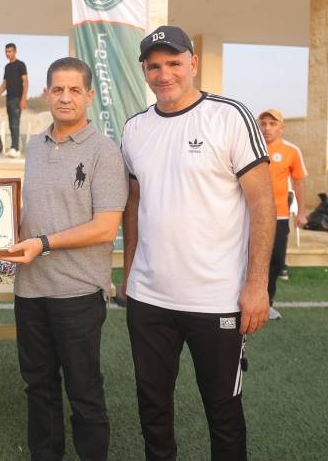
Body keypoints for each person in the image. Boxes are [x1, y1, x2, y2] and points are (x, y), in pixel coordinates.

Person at [121, 25, 274, 461]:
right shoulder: (135, 128)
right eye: (154, 66)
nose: (164, 74)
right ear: (144, 72)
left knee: (223, 413)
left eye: (174, 62)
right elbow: (134, 203)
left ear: (193, 63)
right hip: (149, 299)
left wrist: (257, 284)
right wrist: (129, 274)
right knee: (152, 408)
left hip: (217, 299)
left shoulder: (229, 116)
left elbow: (263, 203)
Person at [8, 57, 128, 461]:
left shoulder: (104, 152)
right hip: (30, 291)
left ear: (89, 96)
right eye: (57, 89)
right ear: (46, 94)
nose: (65, 97)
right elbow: (34, 212)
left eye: (74, 90)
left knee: (84, 392)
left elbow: (105, 228)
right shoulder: (35, 146)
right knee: (38, 388)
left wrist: (42, 243)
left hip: (77, 293)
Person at [257, 108, 308, 320]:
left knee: (276, 260)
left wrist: (301, 213)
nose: (267, 128)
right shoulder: (250, 147)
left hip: (279, 216)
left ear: (282, 128)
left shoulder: (291, 151)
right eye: (263, 123)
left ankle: (267, 303)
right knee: (246, 259)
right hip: (251, 216)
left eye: (272, 124)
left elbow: (299, 182)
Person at [0, 42, 28, 158]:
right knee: (11, 124)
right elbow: (5, 84)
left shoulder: (21, 65)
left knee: (15, 124)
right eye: (6, 51)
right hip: (9, 99)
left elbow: (26, 82)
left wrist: (23, 99)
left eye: (10, 51)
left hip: (17, 99)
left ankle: (16, 149)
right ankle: (13, 148)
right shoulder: (7, 67)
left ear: (15, 52)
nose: (8, 53)